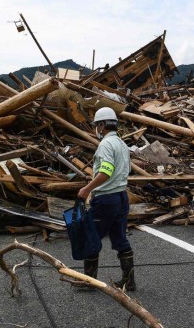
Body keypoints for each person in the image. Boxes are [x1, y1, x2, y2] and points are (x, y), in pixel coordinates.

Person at [77, 107, 135, 291]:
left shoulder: (105, 145)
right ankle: (129, 281)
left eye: (97, 125)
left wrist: (87, 189)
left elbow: (107, 171)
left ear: (102, 125)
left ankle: (89, 282)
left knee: (91, 237)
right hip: (121, 197)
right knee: (119, 238)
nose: (96, 129)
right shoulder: (122, 144)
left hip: (106, 199)